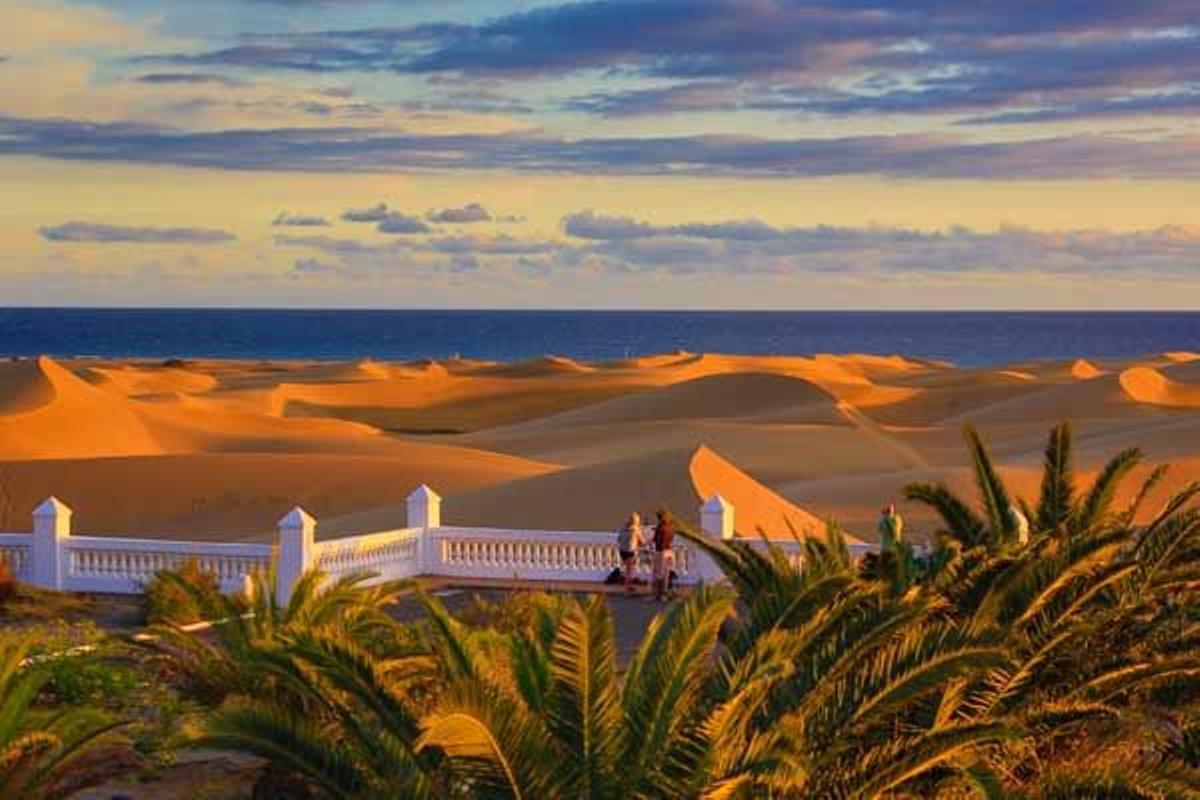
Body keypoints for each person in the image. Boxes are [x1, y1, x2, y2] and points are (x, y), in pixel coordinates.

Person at [652, 509, 676, 602]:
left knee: (658, 574)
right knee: (666, 574)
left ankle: (658, 595)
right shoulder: (671, 527)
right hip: (669, 551)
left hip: (661, 552)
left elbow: (656, 540)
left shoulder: (660, 528)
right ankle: (664, 594)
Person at [617, 512, 643, 591]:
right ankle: (627, 588)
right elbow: (642, 542)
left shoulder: (623, 527)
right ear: (636, 521)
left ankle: (629, 586)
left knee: (628, 569)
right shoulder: (636, 529)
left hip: (622, 551)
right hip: (630, 551)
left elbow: (618, 539)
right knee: (629, 571)